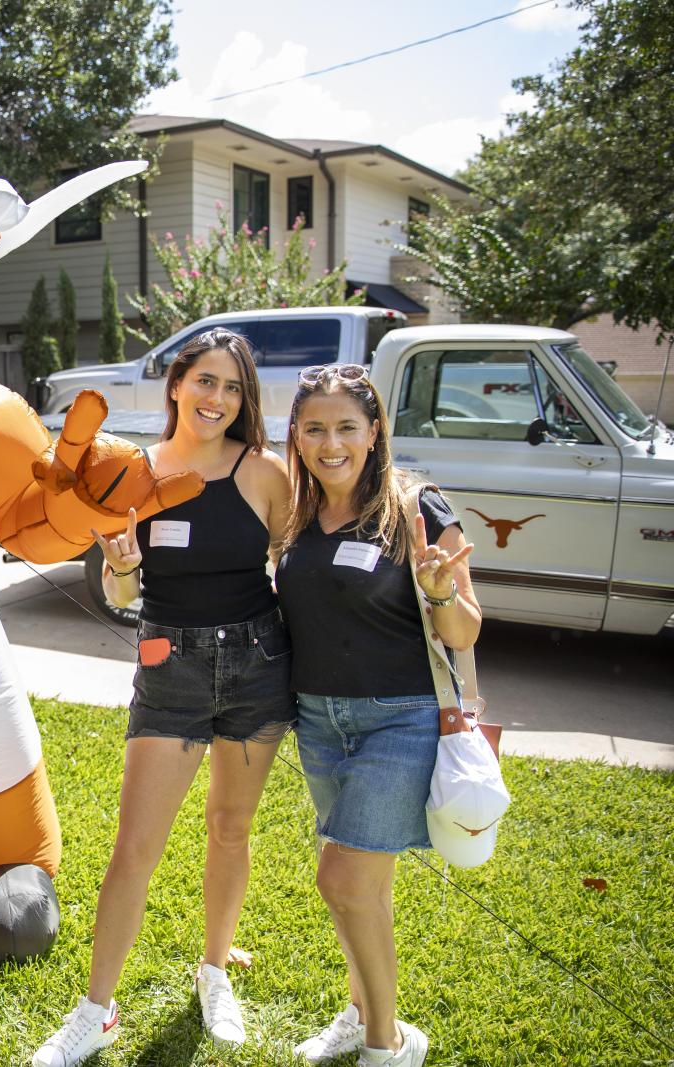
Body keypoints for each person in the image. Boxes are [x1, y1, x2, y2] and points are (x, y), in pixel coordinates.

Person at [33, 328, 294, 1067]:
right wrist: (121, 568)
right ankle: (95, 1010)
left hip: (256, 664)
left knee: (230, 828)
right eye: (205, 381)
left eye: (233, 387)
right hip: (169, 665)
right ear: (176, 384)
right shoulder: (136, 471)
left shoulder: (264, 473)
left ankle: (214, 972)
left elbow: (292, 566)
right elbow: (124, 593)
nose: (218, 398)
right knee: (134, 848)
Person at [276, 364, 480, 1067]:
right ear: (296, 437)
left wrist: (441, 591)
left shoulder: (418, 507)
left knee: (341, 878)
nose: (330, 442)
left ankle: (385, 1044)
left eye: (345, 427)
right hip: (320, 722)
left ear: (374, 432)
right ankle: (366, 1006)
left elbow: (465, 633)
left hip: (401, 720)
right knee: (364, 887)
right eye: (314, 428)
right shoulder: (300, 514)